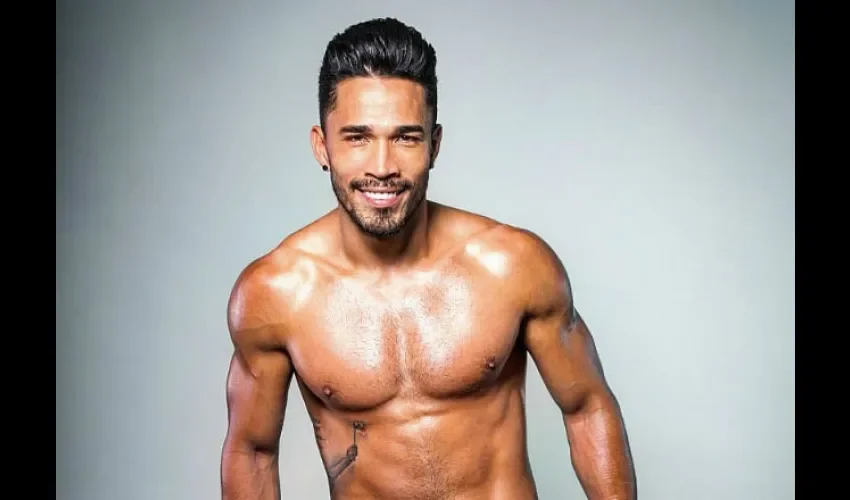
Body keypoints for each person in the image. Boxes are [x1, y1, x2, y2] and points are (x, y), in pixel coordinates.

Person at [220, 17, 636, 500]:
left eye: (406, 137)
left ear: (434, 145)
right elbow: (252, 451)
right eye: (357, 137)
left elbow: (586, 407)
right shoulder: (275, 293)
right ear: (322, 145)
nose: (382, 167)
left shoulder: (511, 265)